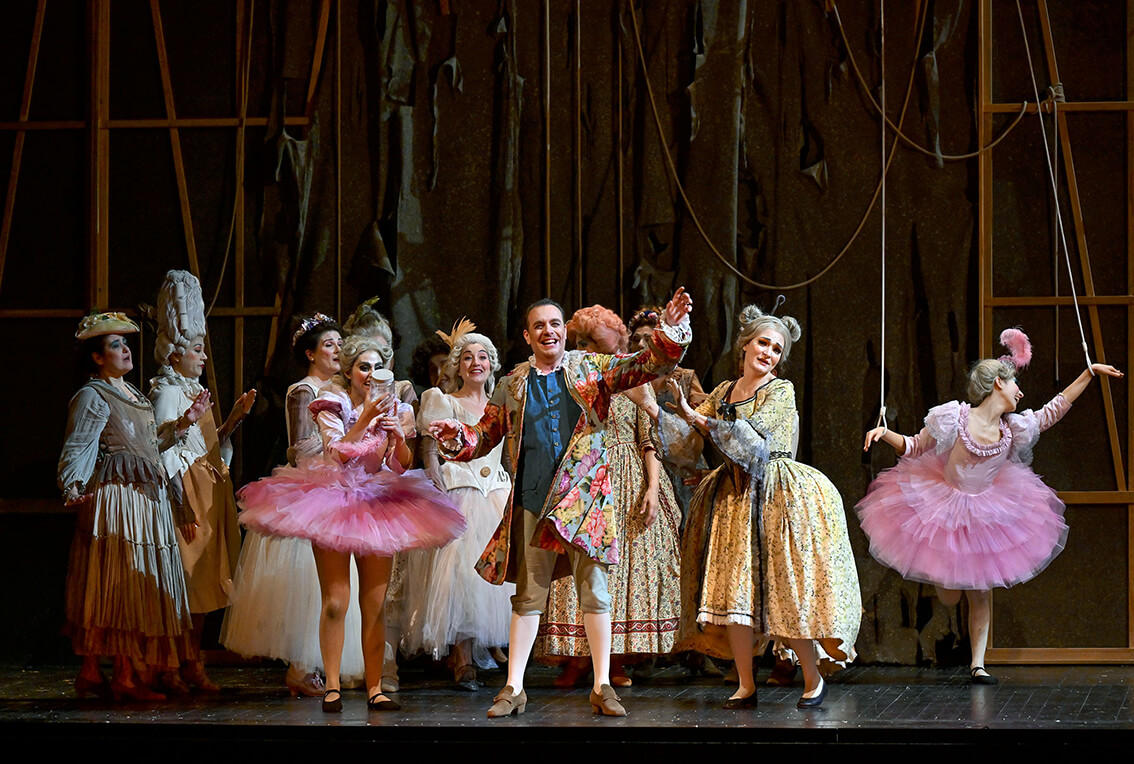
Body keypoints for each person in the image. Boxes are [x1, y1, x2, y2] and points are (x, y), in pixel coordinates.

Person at [429, 287, 693, 719]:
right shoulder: (513, 384)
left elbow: (648, 364)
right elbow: (484, 436)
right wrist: (457, 436)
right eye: (539, 326)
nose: (548, 331)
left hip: (586, 502)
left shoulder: (593, 370)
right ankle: (514, 687)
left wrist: (671, 329)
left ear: (564, 332)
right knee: (528, 597)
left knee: (595, 592)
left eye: (555, 324)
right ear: (527, 336)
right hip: (533, 501)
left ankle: (603, 685)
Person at [859, 328, 1123, 685]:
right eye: (1015, 384)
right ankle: (944, 580)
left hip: (987, 512)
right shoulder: (954, 417)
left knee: (981, 591)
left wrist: (1088, 373)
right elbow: (914, 446)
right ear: (999, 383)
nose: (1020, 391)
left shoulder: (1014, 428)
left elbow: (1053, 410)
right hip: (944, 505)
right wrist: (884, 433)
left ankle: (978, 664)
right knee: (950, 596)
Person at [644, 303, 861, 709]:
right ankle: (746, 684)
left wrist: (699, 419)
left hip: (775, 494)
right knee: (734, 593)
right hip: (732, 498)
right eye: (763, 343)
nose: (768, 353)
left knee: (784, 589)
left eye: (777, 349)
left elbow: (753, 440)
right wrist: (659, 410)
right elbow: (686, 440)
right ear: (745, 344)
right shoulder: (723, 391)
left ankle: (812, 677)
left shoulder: (780, 390)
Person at [236, 335, 465, 712]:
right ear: (349, 370)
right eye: (363, 367)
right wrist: (366, 417)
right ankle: (332, 686)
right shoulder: (332, 401)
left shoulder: (396, 407)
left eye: (377, 367)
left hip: (378, 501)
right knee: (335, 602)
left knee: (374, 605)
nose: (370, 374)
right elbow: (337, 453)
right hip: (334, 499)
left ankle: (375, 688)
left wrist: (396, 435)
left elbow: (400, 465)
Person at [59, 312, 208, 701]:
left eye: (125, 343)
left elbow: (150, 447)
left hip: (143, 498)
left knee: (127, 582)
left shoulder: (135, 395)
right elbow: (78, 444)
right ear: (97, 358)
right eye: (115, 345)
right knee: (119, 582)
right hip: (119, 498)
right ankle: (122, 675)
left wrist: (185, 422)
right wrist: (73, 484)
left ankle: (95, 672)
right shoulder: (94, 395)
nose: (125, 350)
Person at [537, 305, 682, 688]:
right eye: (581, 342)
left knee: (619, 574)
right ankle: (578, 659)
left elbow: (649, 441)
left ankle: (614, 659)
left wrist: (652, 489)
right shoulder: (573, 378)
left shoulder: (633, 381)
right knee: (577, 571)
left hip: (627, 478)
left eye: (593, 342)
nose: (585, 349)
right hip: (582, 476)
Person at [221, 313, 366, 696]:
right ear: (310, 353)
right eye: (329, 345)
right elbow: (300, 445)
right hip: (314, 487)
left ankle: (322, 666)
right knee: (308, 583)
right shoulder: (304, 390)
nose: (337, 350)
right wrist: (343, 441)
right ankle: (301, 668)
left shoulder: (344, 388)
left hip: (342, 488)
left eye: (340, 344)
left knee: (338, 585)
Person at [148, 270, 255, 692]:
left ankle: (193, 662)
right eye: (197, 349)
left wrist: (232, 421)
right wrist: (181, 505)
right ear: (176, 354)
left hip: (209, 490)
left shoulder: (194, 390)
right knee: (185, 585)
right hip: (186, 496)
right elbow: (162, 450)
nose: (204, 356)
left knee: (206, 587)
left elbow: (207, 447)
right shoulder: (166, 392)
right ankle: (171, 664)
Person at [408, 318, 514, 691]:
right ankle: (463, 658)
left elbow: (507, 454)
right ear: (457, 366)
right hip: (461, 492)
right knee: (461, 578)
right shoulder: (444, 402)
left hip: (496, 493)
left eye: (482, 356)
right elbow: (430, 450)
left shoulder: (502, 405)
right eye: (467, 357)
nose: (475, 363)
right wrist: (437, 487)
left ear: (491, 364)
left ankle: (499, 652)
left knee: (497, 579)